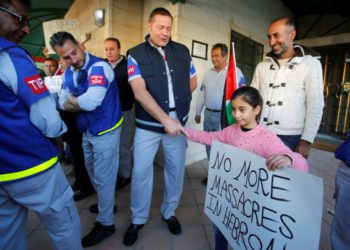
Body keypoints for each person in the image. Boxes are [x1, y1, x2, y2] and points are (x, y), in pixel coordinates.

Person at [183, 86, 308, 250]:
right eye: (233, 109)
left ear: (257, 109)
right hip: (228, 198)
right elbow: (208, 137)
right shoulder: (230, 132)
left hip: (250, 205)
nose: (236, 115)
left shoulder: (267, 138)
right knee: (219, 230)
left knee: (243, 237)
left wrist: (288, 158)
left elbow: (302, 166)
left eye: (242, 109)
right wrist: (183, 130)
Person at [0, 0, 82, 249]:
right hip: (31, 163)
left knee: (8, 234)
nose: (26, 29)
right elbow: (45, 115)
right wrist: (57, 134)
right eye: (20, 19)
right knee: (64, 224)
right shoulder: (10, 56)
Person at [123, 7, 197, 246]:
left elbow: (192, 81)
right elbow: (139, 91)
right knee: (141, 173)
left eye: (168, 27)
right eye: (160, 27)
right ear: (149, 26)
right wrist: (165, 119)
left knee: (175, 172)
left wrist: (178, 106)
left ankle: (169, 212)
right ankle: (138, 218)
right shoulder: (135, 54)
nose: (165, 32)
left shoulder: (183, 51)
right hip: (148, 126)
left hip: (178, 124)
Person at [50, 31, 124, 247]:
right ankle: (106, 204)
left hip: (106, 131)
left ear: (80, 45)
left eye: (75, 52)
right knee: (93, 173)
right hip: (87, 131)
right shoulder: (67, 73)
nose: (74, 59)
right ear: (60, 58)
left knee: (104, 177)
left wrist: (73, 100)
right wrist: (75, 101)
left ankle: (106, 223)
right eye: (66, 57)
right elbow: (61, 102)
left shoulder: (99, 67)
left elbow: (91, 103)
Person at [251, 17, 324, 157]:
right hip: (260, 132)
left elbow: (315, 105)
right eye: (269, 36)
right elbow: (252, 100)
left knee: (281, 178)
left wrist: (306, 140)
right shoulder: (262, 66)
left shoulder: (311, 64)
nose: (271, 42)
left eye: (276, 35)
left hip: (291, 139)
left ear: (292, 34)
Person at [195, 43, 245, 185]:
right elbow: (202, 94)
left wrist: (239, 117)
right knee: (209, 145)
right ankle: (213, 174)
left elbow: (242, 94)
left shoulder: (234, 72)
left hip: (224, 117)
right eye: (212, 55)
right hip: (208, 116)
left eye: (217, 56)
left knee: (224, 147)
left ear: (225, 56)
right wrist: (198, 112)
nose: (213, 59)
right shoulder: (208, 73)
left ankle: (224, 177)